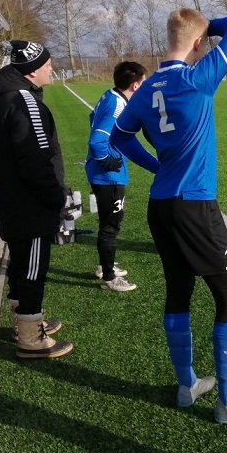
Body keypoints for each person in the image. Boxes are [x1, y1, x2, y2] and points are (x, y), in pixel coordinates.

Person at [109, 8, 227, 427]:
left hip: (161, 205)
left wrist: (156, 166)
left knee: (178, 291)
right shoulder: (198, 77)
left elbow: (119, 137)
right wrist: (206, 25)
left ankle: (187, 384)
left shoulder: (146, 89)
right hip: (194, 205)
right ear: (200, 42)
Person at [0, 40, 72, 360]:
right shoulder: (24, 101)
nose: (52, 68)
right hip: (29, 206)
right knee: (33, 270)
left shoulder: (5, 97)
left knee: (21, 265)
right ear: (33, 70)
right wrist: (55, 197)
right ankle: (31, 338)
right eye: (47, 64)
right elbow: (36, 158)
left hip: (13, 203)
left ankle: (24, 321)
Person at [85, 60, 156, 293]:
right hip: (109, 176)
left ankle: (105, 264)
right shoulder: (118, 105)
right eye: (144, 82)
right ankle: (109, 277)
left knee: (107, 222)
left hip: (100, 173)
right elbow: (97, 140)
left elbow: (92, 118)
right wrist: (106, 158)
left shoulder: (110, 94)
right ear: (135, 86)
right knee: (111, 226)